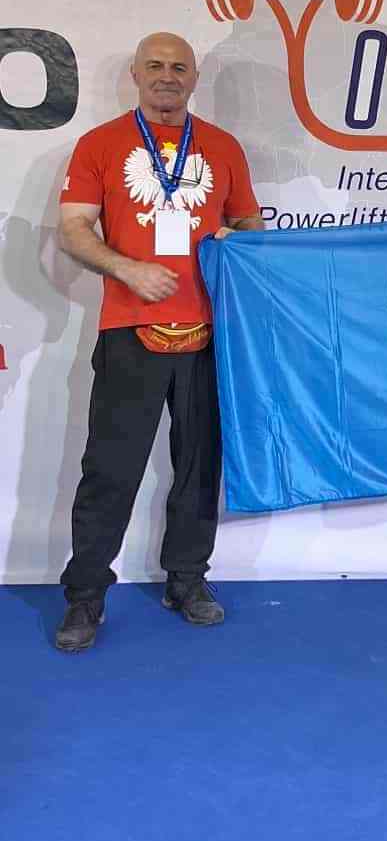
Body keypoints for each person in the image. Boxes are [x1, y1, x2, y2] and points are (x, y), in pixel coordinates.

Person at [55, 32, 264, 652]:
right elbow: (73, 229)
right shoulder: (99, 145)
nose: (166, 75)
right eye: (155, 65)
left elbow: (250, 224)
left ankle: (187, 580)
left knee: (200, 466)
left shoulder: (223, 147)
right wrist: (127, 269)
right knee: (110, 469)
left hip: (210, 334)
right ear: (135, 73)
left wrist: (239, 242)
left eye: (178, 67)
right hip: (128, 331)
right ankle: (86, 594)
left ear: (194, 78)